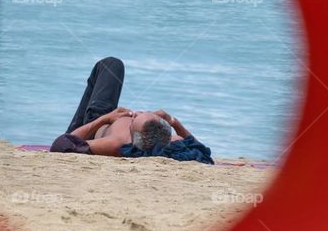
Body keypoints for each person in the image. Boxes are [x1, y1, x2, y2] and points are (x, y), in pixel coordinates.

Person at [50, 57, 214, 163]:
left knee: (111, 64)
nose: (136, 113)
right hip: (113, 122)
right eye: (144, 113)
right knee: (113, 66)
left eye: (134, 119)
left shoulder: (116, 143)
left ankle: (86, 120)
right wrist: (174, 122)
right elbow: (202, 152)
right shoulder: (173, 141)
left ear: (133, 136)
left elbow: (62, 145)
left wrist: (105, 119)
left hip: (91, 127)